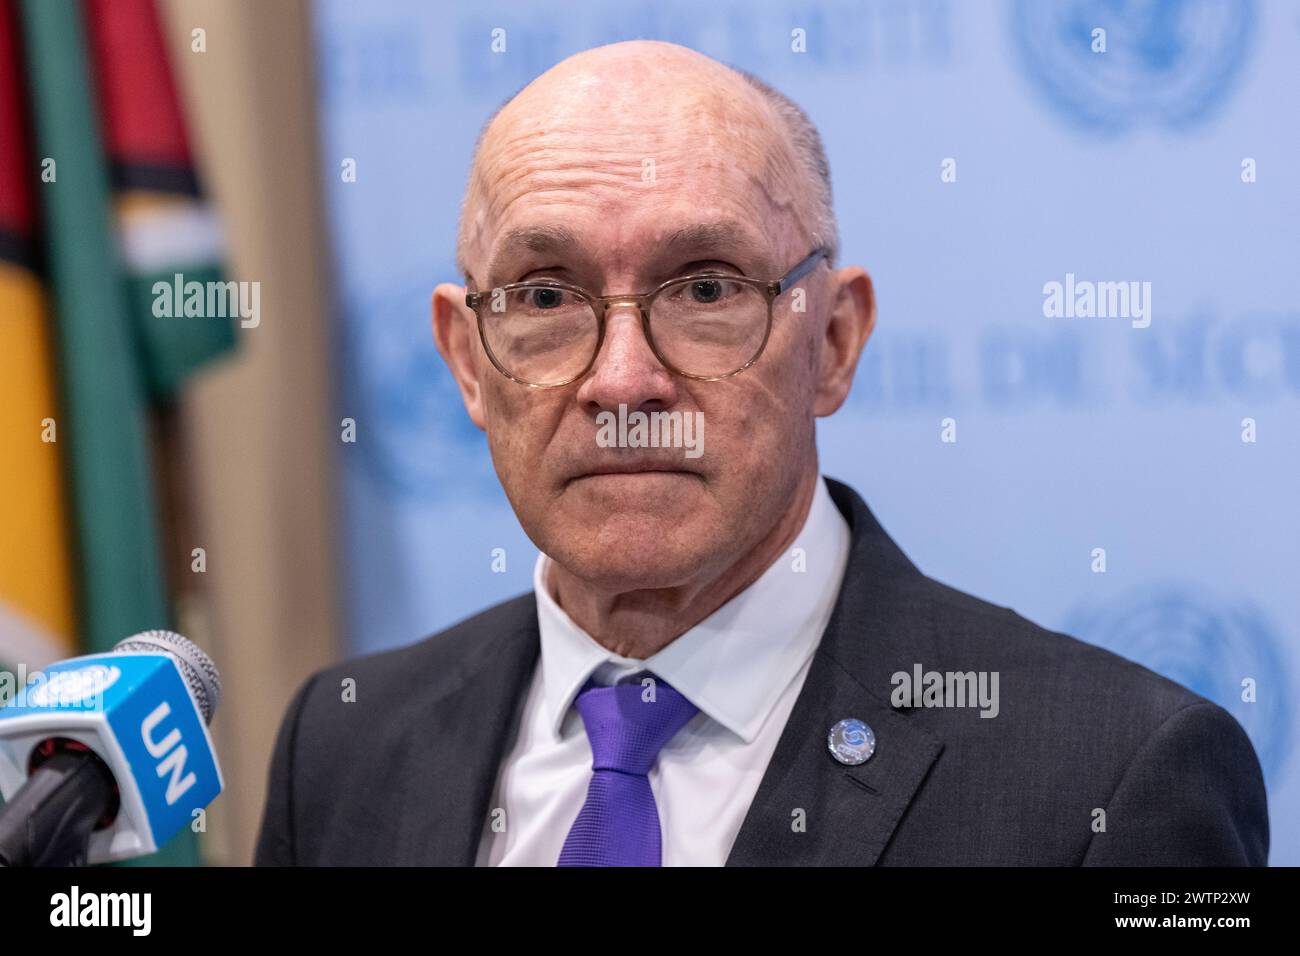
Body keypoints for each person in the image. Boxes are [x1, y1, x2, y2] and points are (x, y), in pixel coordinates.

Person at [254, 40, 1268, 866]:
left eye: (703, 289)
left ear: (832, 341)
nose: (620, 381)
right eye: (546, 295)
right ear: (467, 359)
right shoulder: (342, 748)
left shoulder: (1111, 773)